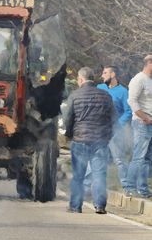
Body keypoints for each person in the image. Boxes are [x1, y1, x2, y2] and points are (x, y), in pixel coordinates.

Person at [63, 67, 116, 214]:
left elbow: (68, 119)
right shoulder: (105, 95)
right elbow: (114, 119)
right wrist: (107, 135)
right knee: (99, 174)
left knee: (78, 175)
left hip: (80, 140)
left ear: (80, 79)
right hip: (100, 141)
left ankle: (75, 206)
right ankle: (100, 205)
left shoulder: (75, 95)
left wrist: (69, 134)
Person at [84, 66, 132, 192]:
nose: (102, 75)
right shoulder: (100, 88)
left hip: (115, 132)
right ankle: (85, 187)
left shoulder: (123, 91)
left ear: (113, 74)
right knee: (94, 158)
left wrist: (117, 125)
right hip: (99, 131)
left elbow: (128, 111)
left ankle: (127, 187)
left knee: (119, 160)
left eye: (105, 73)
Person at [125, 55, 152, 198]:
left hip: (150, 123)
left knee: (147, 159)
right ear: (148, 63)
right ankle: (129, 187)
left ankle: (143, 189)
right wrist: (145, 118)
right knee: (138, 157)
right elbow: (132, 101)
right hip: (141, 123)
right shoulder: (139, 79)